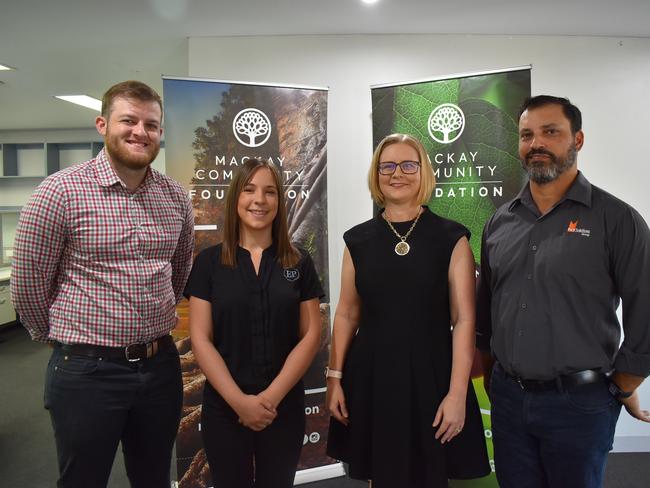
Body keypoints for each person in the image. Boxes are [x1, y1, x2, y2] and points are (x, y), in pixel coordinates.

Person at [10, 80, 195, 487]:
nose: (140, 132)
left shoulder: (175, 197)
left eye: (151, 124)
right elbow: (28, 285)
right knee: (83, 479)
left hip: (160, 365)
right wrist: (59, 338)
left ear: (161, 133)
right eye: (128, 120)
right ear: (102, 125)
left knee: (153, 478)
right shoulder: (59, 192)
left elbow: (180, 269)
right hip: (86, 371)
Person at [476, 95, 650, 488]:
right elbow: (486, 310)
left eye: (550, 132)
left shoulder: (617, 219)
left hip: (580, 405)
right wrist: (494, 379)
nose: (536, 143)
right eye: (526, 135)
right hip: (508, 402)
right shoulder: (499, 222)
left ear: (578, 140)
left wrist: (623, 385)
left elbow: (646, 309)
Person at [326, 133, 490, 487]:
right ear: (376, 173)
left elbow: (464, 320)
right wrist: (334, 377)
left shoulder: (452, 238)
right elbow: (346, 314)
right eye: (387, 165)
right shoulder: (357, 240)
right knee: (380, 475)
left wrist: (458, 394)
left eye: (407, 165)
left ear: (423, 172)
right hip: (372, 376)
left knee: (429, 475)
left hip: (432, 375)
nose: (396, 173)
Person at [184, 158, 323, 488]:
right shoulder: (209, 263)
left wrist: (271, 397)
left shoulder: (299, 262)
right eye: (249, 190)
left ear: (279, 202)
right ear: (236, 199)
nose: (259, 200)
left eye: (270, 192)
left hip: (283, 408)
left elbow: (312, 334)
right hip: (225, 408)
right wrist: (240, 402)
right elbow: (200, 338)